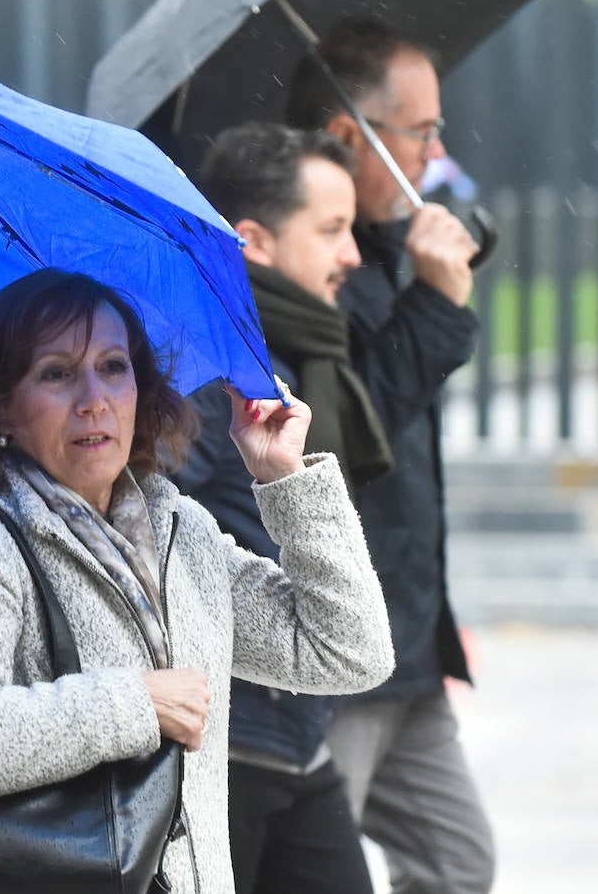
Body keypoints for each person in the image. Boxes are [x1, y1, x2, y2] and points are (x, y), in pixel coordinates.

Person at [0, 268, 395, 894]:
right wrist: (138, 702)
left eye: (113, 366)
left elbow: (346, 653)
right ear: (2, 407)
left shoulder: (183, 533)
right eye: (56, 373)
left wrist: (284, 479)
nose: (93, 398)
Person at [286, 19, 494, 894]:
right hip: (344, 653)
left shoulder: (378, 252)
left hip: (408, 642)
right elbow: (345, 432)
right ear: (348, 135)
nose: (437, 149)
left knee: (457, 862)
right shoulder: (306, 262)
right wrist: (439, 309)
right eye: (420, 130)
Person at [175, 121, 390, 894]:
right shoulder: (212, 367)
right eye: (332, 229)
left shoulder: (310, 348)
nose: (353, 253)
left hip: (300, 732)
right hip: (231, 741)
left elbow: (356, 647)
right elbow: (147, 510)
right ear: (253, 241)